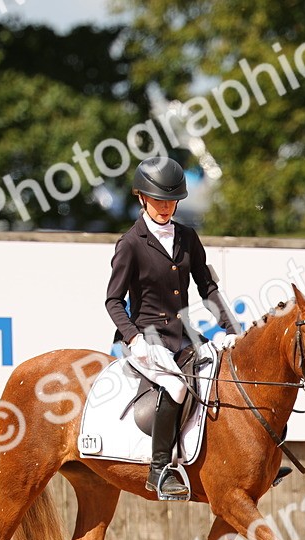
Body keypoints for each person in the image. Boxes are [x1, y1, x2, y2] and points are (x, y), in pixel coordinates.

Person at [105, 156, 240, 498]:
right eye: (158, 200)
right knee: (177, 387)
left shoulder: (187, 237)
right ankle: (160, 469)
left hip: (183, 337)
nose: (165, 208)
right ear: (142, 198)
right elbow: (113, 301)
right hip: (145, 338)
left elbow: (207, 288)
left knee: (221, 375)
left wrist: (231, 328)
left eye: (171, 201)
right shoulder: (130, 244)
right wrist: (133, 337)